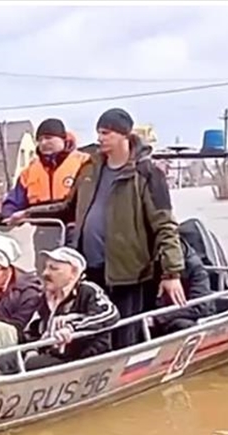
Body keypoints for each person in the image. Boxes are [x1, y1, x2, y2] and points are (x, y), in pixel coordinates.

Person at [60, 108, 187, 350]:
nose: (99, 138)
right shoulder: (89, 168)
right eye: (98, 132)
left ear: (124, 136)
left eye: (106, 133)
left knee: (126, 339)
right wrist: (24, 214)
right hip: (90, 270)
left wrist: (172, 274)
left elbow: (165, 225)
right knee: (91, 336)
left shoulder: (148, 174)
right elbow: (68, 207)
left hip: (130, 273)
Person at [0, 118, 91, 271]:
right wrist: (6, 216)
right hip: (43, 231)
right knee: (44, 274)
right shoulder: (30, 170)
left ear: (63, 138)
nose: (43, 143)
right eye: (39, 139)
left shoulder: (84, 163)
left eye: (48, 138)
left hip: (75, 232)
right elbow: (14, 201)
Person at [22, 247, 119, 371]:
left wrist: (72, 328)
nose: (45, 273)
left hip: (86, 359)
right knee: (12, 358)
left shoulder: (88, 290)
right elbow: (32, 330)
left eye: (54, 268)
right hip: (54, 356)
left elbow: (110, 314)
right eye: (46, 267)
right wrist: (31, 350)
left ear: (73, 273)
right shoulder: (44, 297)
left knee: (33, 365)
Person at [150, 238, 214, 337]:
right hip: (159, 316)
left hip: (189, 317)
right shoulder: (152, 267)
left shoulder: (195, 269)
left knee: (182, 326)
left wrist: (159, 318)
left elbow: (200, 307)